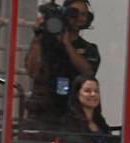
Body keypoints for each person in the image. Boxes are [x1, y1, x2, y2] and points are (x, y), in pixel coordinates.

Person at [25, 0, 100, 130]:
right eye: (73, 13)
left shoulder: (89, 49)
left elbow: (88, 72)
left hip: (72, 114)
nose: (78, 18)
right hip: (42, 112)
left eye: (83, 14)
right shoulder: (44, 44)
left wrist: (67, 44)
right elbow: (32, 71)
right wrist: (38, 37)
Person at [58, 75, 114, 143]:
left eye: (96, 91)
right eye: (87, 91)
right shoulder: (69, 123)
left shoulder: (101, 123)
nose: (93, 94)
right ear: (77, 94)